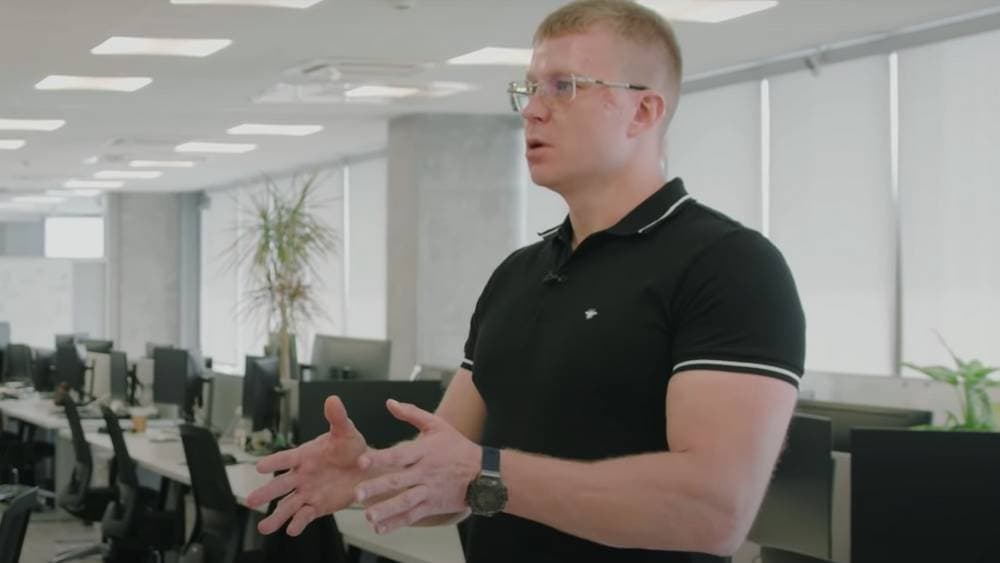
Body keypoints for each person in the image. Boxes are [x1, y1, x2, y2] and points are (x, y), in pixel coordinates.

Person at [246, 1, 805, 561]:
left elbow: (712, 510)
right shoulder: (517, 275)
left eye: (564, 87)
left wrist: (486, 472)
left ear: (643, 111)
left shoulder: (731, 266)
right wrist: (370, 473)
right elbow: (450, 479)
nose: (533, 111)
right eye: (530, 89)